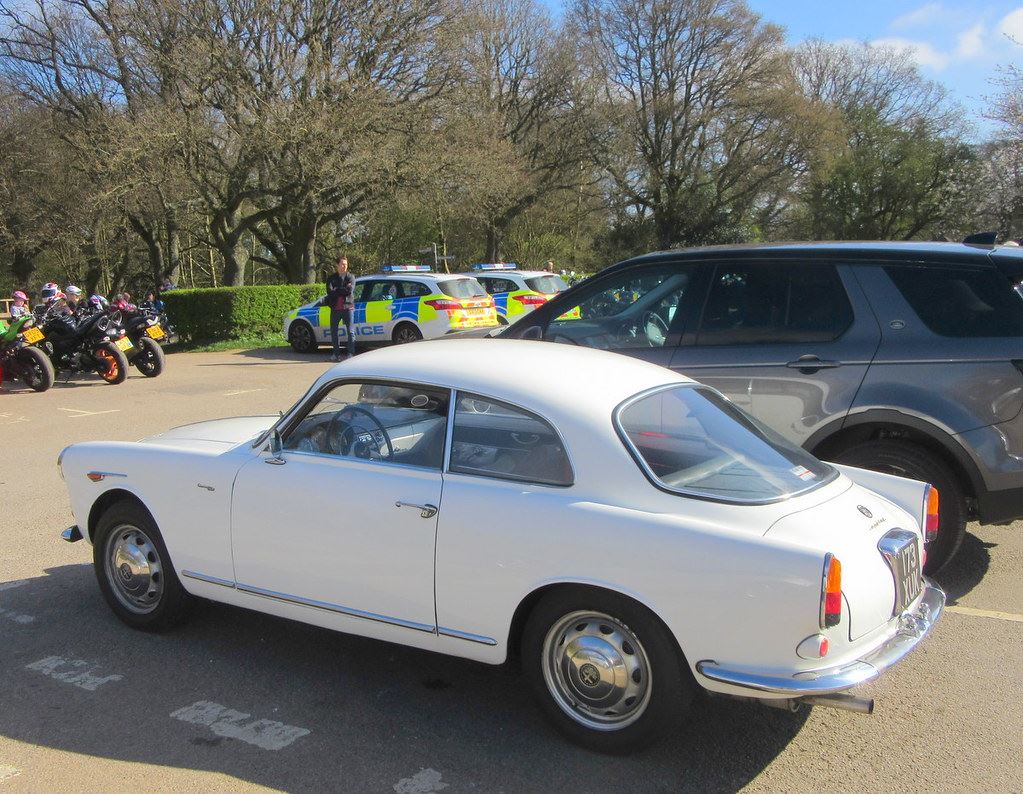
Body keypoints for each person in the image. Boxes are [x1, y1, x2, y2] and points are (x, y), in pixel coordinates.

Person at [323, 255, 356, 361]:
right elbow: (330, 293)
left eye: (346, 264)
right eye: (342, 264)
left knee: (350, 331)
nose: (344, 266)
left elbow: (349, 291)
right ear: (337, 265)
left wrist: (337, 290)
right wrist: (341, 290)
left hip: (348, 307)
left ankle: (350, 354)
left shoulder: (351, 277)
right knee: (334, 332)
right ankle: (336, 355)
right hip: (335, 308)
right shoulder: (331, 278)